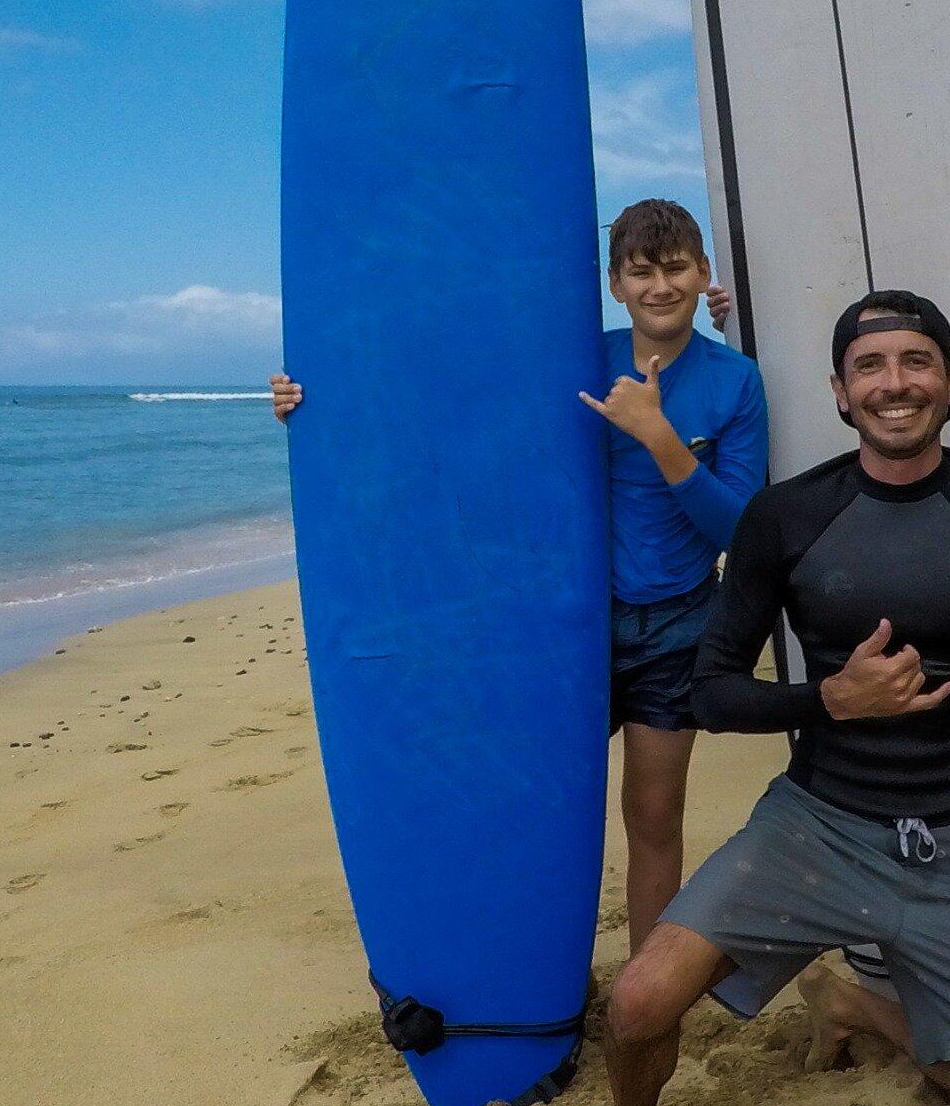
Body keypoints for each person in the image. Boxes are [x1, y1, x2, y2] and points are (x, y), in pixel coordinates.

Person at [569, 290, 950, 1106]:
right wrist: (831, 699)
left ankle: (854, 1001)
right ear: (840, 392)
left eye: (916, 362)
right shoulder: (782, 518)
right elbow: (712, 691)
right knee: (638, 999)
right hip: (810, 831)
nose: (896, 383)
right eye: (872, 366)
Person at [273, 198, 766, 948]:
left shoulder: (735, 382)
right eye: (640, 272)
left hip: (679, 623)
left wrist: (661, 437)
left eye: (674, 270)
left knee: (655, 819)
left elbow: (742, 530)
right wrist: (316, 405)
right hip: (566, 622)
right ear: (614, 284)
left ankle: (642, 994)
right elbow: (446, 407)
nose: (659, 287)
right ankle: (529, 981)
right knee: (528, 808)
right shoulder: (578, 362)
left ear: (702, 276)